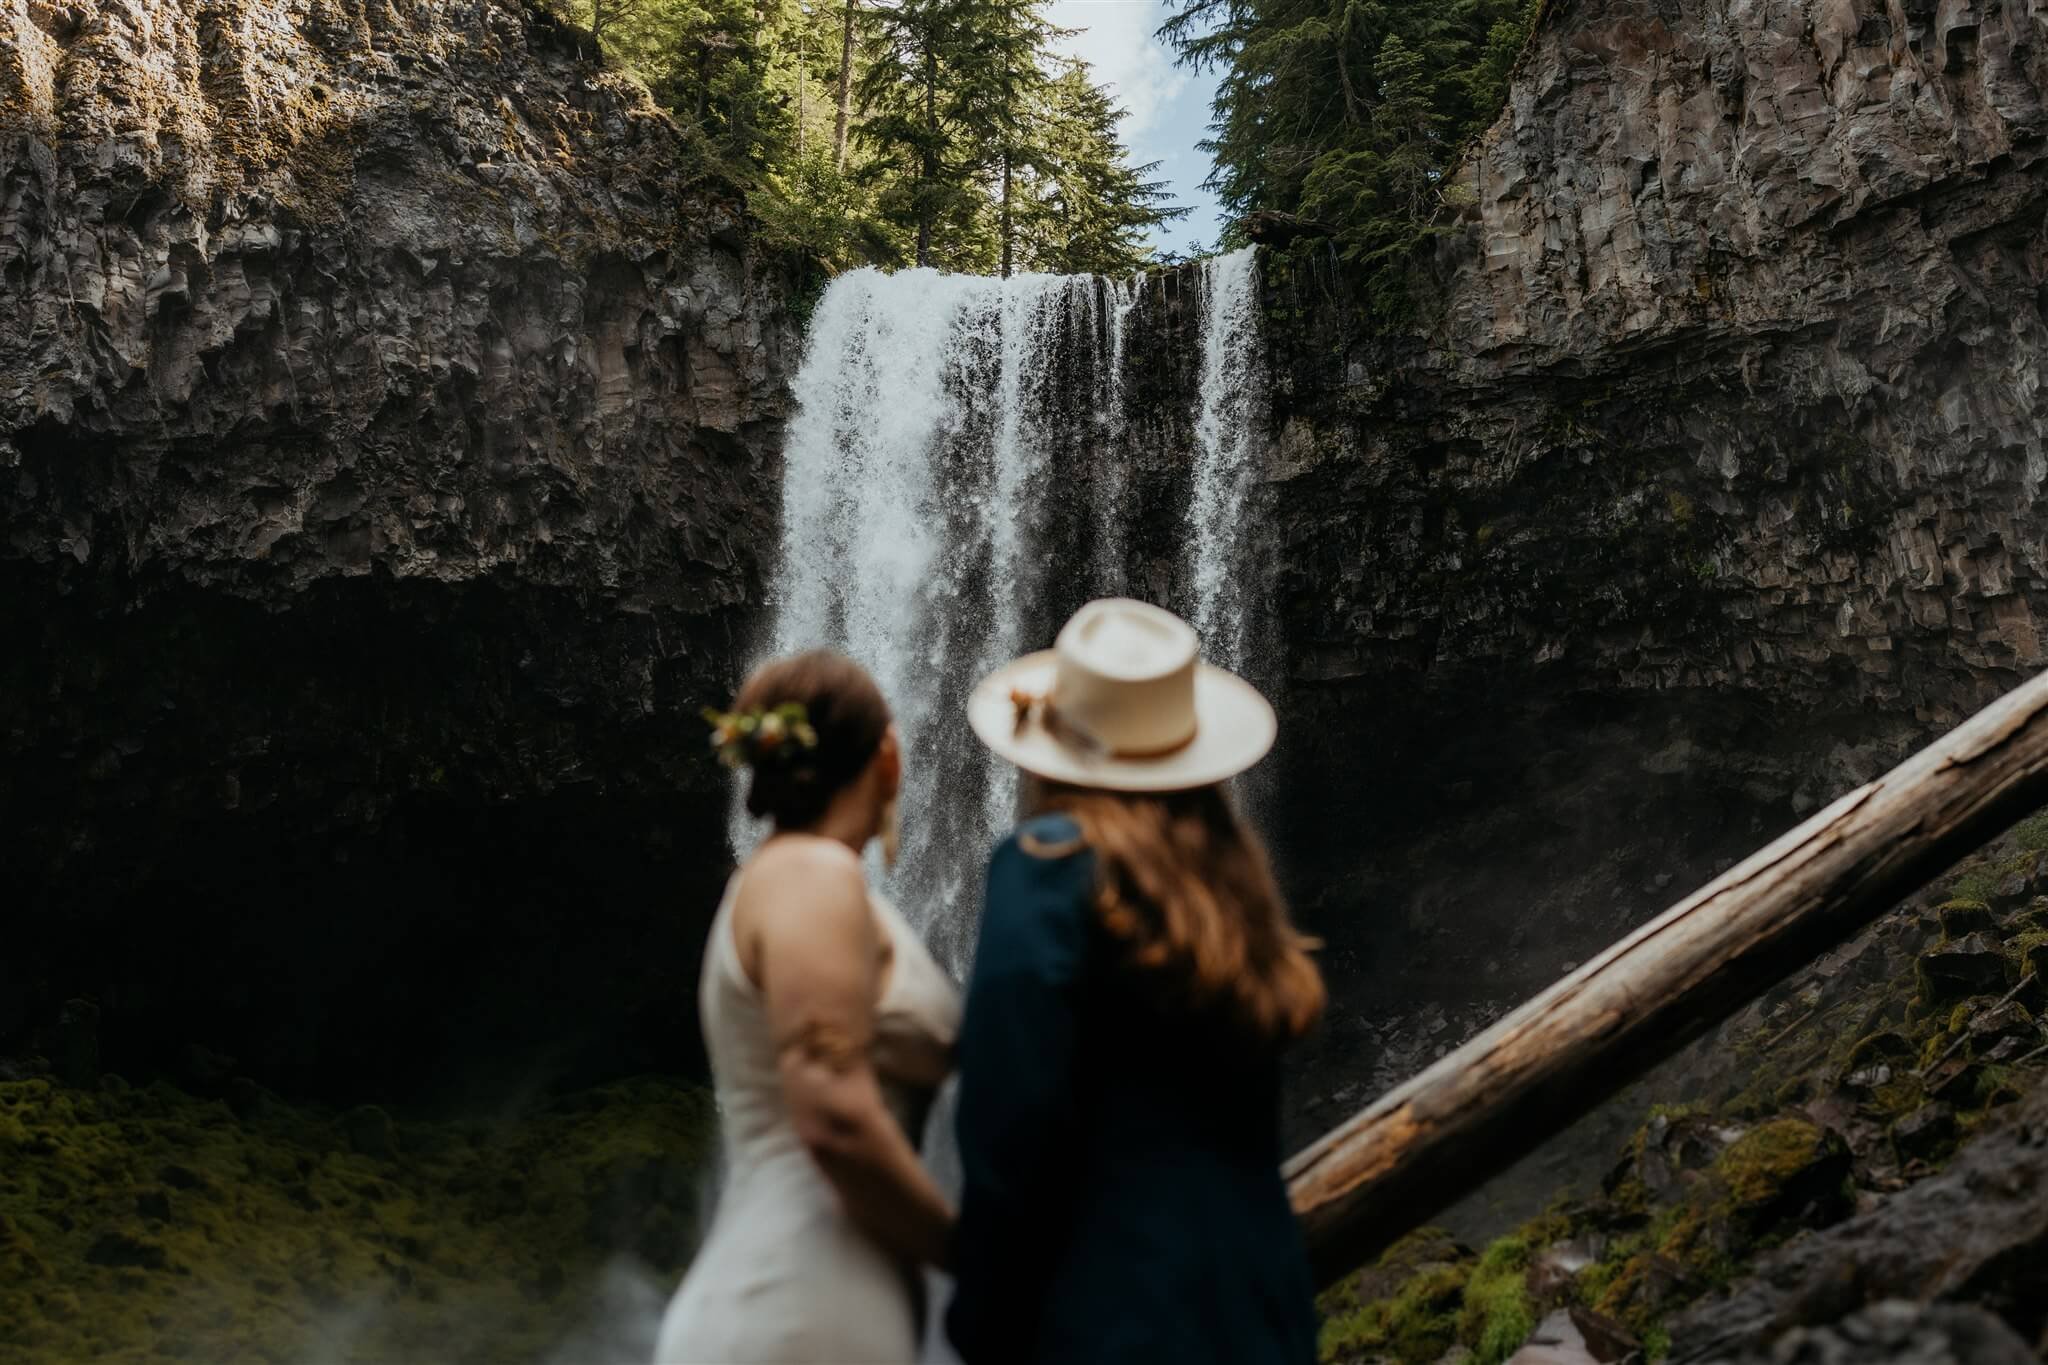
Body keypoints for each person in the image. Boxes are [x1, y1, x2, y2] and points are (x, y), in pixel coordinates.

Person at [946, 598, 1326, 1365]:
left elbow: (1008, 1121)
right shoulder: (1231, 886)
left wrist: (979, 1320)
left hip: (1109, 1313)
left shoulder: (1049, 867)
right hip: (1260, 1308)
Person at [656, 650, 960, 1364]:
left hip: (804, 1294)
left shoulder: (793, 875)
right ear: (886, 755)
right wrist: (972, 1255)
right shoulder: (809, 873)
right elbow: (833, 1114)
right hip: (797, 1300)